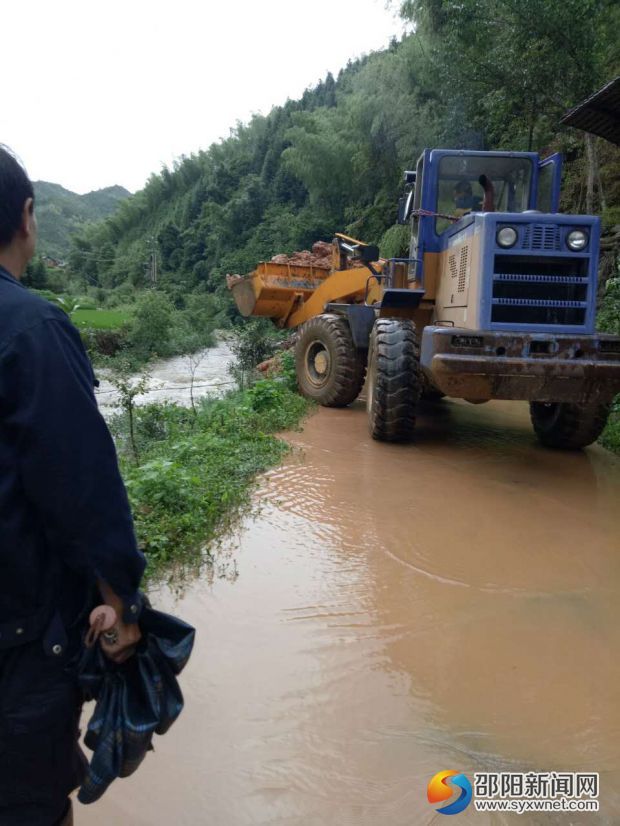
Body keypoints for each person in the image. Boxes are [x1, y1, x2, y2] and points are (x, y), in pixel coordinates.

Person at [0, 145, 146, 825]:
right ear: (27, 218)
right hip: (18, 649)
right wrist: (117, 599)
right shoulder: (29, 328)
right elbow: (81, 489)